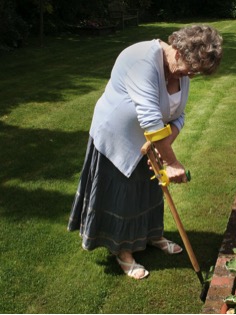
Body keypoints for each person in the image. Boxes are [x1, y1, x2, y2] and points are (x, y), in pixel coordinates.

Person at [67, 24, 223, 280]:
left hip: (152, 141)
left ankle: (152, 235)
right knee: (124, 196)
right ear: (178, 50)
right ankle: (123, 252)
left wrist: (165, 148)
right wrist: (171, 162)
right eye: (192, 68)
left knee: (151, 191)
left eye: (197, 72)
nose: (191, 76)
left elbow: (179, 115)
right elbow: (151, 119)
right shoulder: (142, 60)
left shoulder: (182, 73)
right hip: (117, 137)